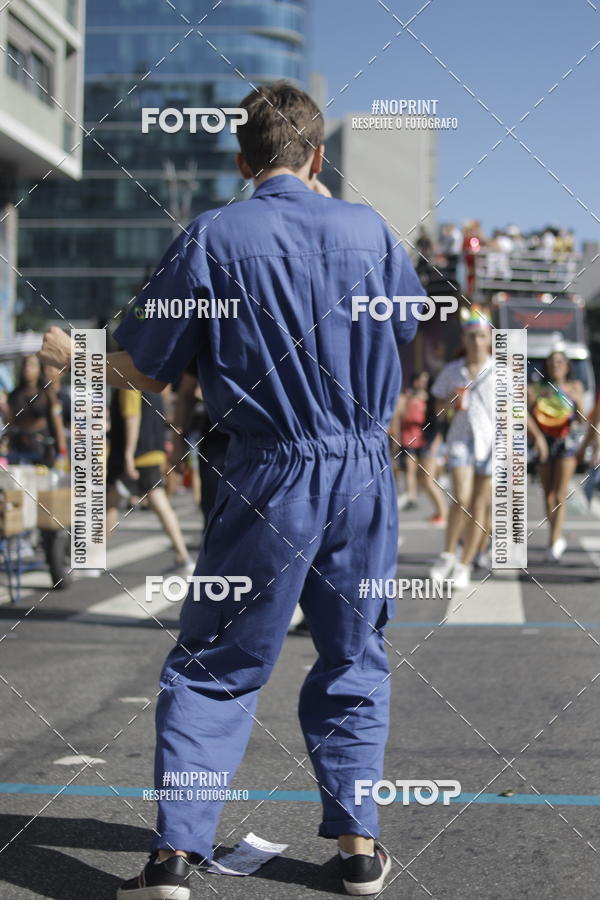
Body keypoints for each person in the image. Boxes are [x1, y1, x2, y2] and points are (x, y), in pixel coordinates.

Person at [39, 81, 424, 898]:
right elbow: (405, 335)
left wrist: (74, 355)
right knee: (355, 654)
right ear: (319, 156)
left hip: (267, 469)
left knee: (218, 659)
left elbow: (147, 364)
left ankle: (176, 855)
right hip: (361, 469)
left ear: (243, 161)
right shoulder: (372, 233)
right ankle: (359, 848)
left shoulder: (213, 235)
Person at [428, 307, 496, 588]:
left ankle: (465, 564)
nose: (476, 342)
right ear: (464, 340)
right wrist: (449, 404)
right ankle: (447, 554)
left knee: (481, 504)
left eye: (481, 337)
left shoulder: (500, 370)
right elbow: (436, 408)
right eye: (472, 337)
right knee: (462, 498)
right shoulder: (452, 371)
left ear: (489, 339)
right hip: (461, 440)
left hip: (492, 443)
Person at [106, 385, 194, 572]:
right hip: (153, 451)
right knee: (156, 501)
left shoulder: (128, 383)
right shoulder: (151, 383)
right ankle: (183, 555)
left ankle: (93, 557)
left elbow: (132, 417)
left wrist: (128, 455)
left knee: (109, 503)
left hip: (134, 454)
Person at [528, 350, 585, 561]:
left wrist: (575, 399)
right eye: (552, 362)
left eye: (560, 362)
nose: (556, 365)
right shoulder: (536, 389)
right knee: (549, 495)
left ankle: (554, 539)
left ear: (567, 366)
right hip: (544, 443)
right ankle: (555, 535)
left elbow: (581, 420)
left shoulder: (575, 386)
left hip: (566, 443)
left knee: (560, 494)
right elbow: (525, 417)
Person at [392, 371, 447, 523]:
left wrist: (435, 444)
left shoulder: (432, 401)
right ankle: (435, 510)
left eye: (424, 380)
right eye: (419, 380)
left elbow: (438, 425)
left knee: (428, 481)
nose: (421, 383)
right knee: (418, 476)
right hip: (411, 441)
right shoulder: (408, 398)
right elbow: (400, 417)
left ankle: (443, 514)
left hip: (427, 443)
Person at [6, 355, 67, 466]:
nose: (27, 369)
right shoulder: (14, 395)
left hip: (42, 446)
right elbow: (10, 423)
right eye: (25, 365)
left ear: (40, 370)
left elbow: (57, 423)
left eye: (32, 366)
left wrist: (62, 452)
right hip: (19, 445)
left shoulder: (48, 394)